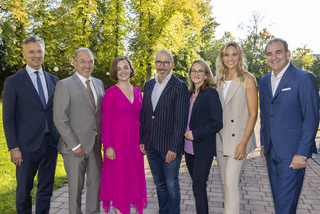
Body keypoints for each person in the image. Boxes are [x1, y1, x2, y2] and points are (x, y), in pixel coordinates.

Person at [259, 38, 319, 214]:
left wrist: (302, 153)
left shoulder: (303, 78)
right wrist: (264, 142)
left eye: (278, 52)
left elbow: (311, 118)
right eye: (269, 54)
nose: (274, 57)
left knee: (285, 206)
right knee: (280, 202)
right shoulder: (264, 81)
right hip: (271, 151)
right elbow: (265, 114)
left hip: (293, 153)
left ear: (287, 54)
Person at [2, 36, 59, 214]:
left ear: (44, 53)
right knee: (23, 192)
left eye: (39, 51)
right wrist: (14, 147)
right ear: (24, 55)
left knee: (46, 190)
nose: (36, 55)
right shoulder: (14, 81)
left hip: (50, 144)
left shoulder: (54, 80)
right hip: (25, 147)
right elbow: (8, 118)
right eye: (32, 51)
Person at [53, 48, 104, 214]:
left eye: (90, 61)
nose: (87, 65)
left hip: (95, 145)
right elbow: (60, 118)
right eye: (83, 61)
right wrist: (75, 145)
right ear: (75, 63)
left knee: (95, 186)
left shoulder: (98, 83)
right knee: (75, 189)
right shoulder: (64, 84)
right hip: (74, 148)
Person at [139, 50, 189, 214]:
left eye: (166, 62)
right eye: (159, 62)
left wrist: (174, 147)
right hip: (152, 144)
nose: (162, 66)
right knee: (159, 183)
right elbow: (145, 114)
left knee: (171, 184)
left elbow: (180, 120)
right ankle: (163, 211)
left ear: (172, 65)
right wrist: (142, 140)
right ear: (155, 64)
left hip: (169, 146)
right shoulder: (149, 85)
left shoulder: (180, 86)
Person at [99, 56, 148, 214]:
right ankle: (120, 210)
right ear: (114, 72)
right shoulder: (111, 93)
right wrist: (108, 146)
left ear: (130, 69)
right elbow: (106, 121)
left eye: (125, 67)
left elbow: (142, 118)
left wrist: (143, 140)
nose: (122, 71)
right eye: (118, 68)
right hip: (118, 142)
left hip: (134, 143)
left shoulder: (137, 92)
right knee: (120, 180)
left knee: (132, 179)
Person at [215, 41, 258, 214]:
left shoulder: (247, 79)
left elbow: (253, 113)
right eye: (226, 54)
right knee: (225, 183)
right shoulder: (218, 79)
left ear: (239, 56)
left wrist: (244, 142)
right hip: (220, 139)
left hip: (238, 139)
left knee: (231, 183)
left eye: (234, 54)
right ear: (221, 57)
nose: (230, 58)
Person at [184, 60, 223, 214]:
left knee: (198, 187)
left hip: (203, 148)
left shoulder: (211, 93)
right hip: (188, 149)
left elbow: (217, 123)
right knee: (197, 186)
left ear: (206, 75)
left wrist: (196, 133)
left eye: (200, 71)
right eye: (193, 71)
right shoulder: (188, 94)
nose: (196, 74)